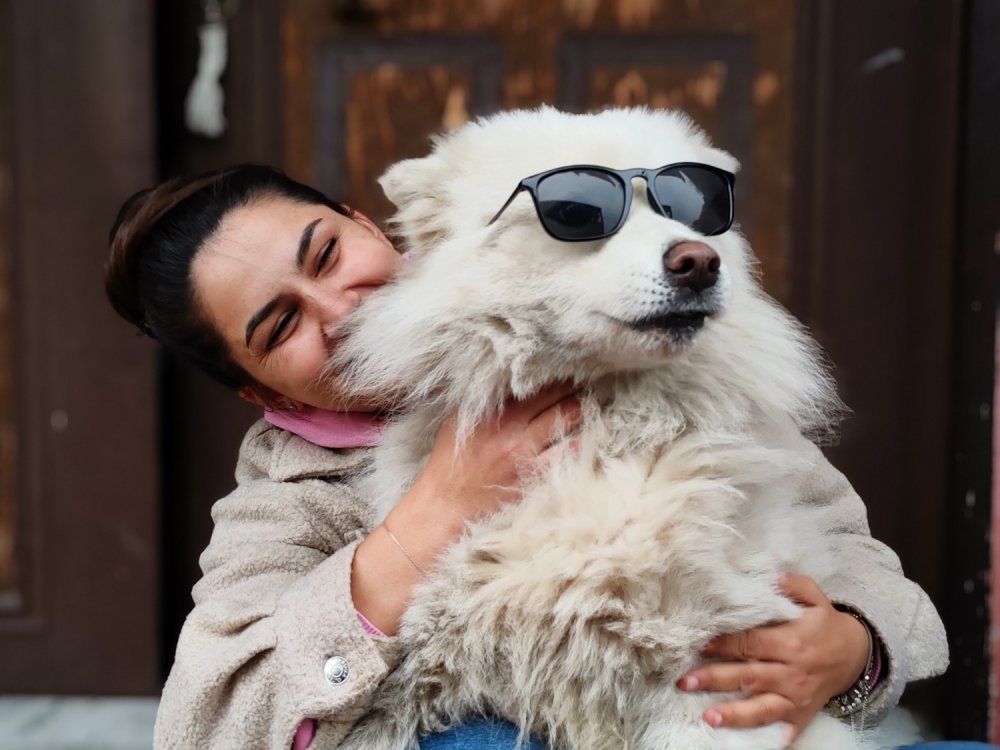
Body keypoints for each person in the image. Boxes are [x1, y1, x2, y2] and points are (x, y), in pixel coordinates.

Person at [105, 164, 973, 749]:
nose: (336, 307)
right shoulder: (290, 500)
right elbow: (207, 720)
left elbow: (862, 561)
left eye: (328, 253)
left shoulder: (612, 316)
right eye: (281, 325)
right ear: (267, 394)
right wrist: (428, 519)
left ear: (365, 222)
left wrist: (851, 647)